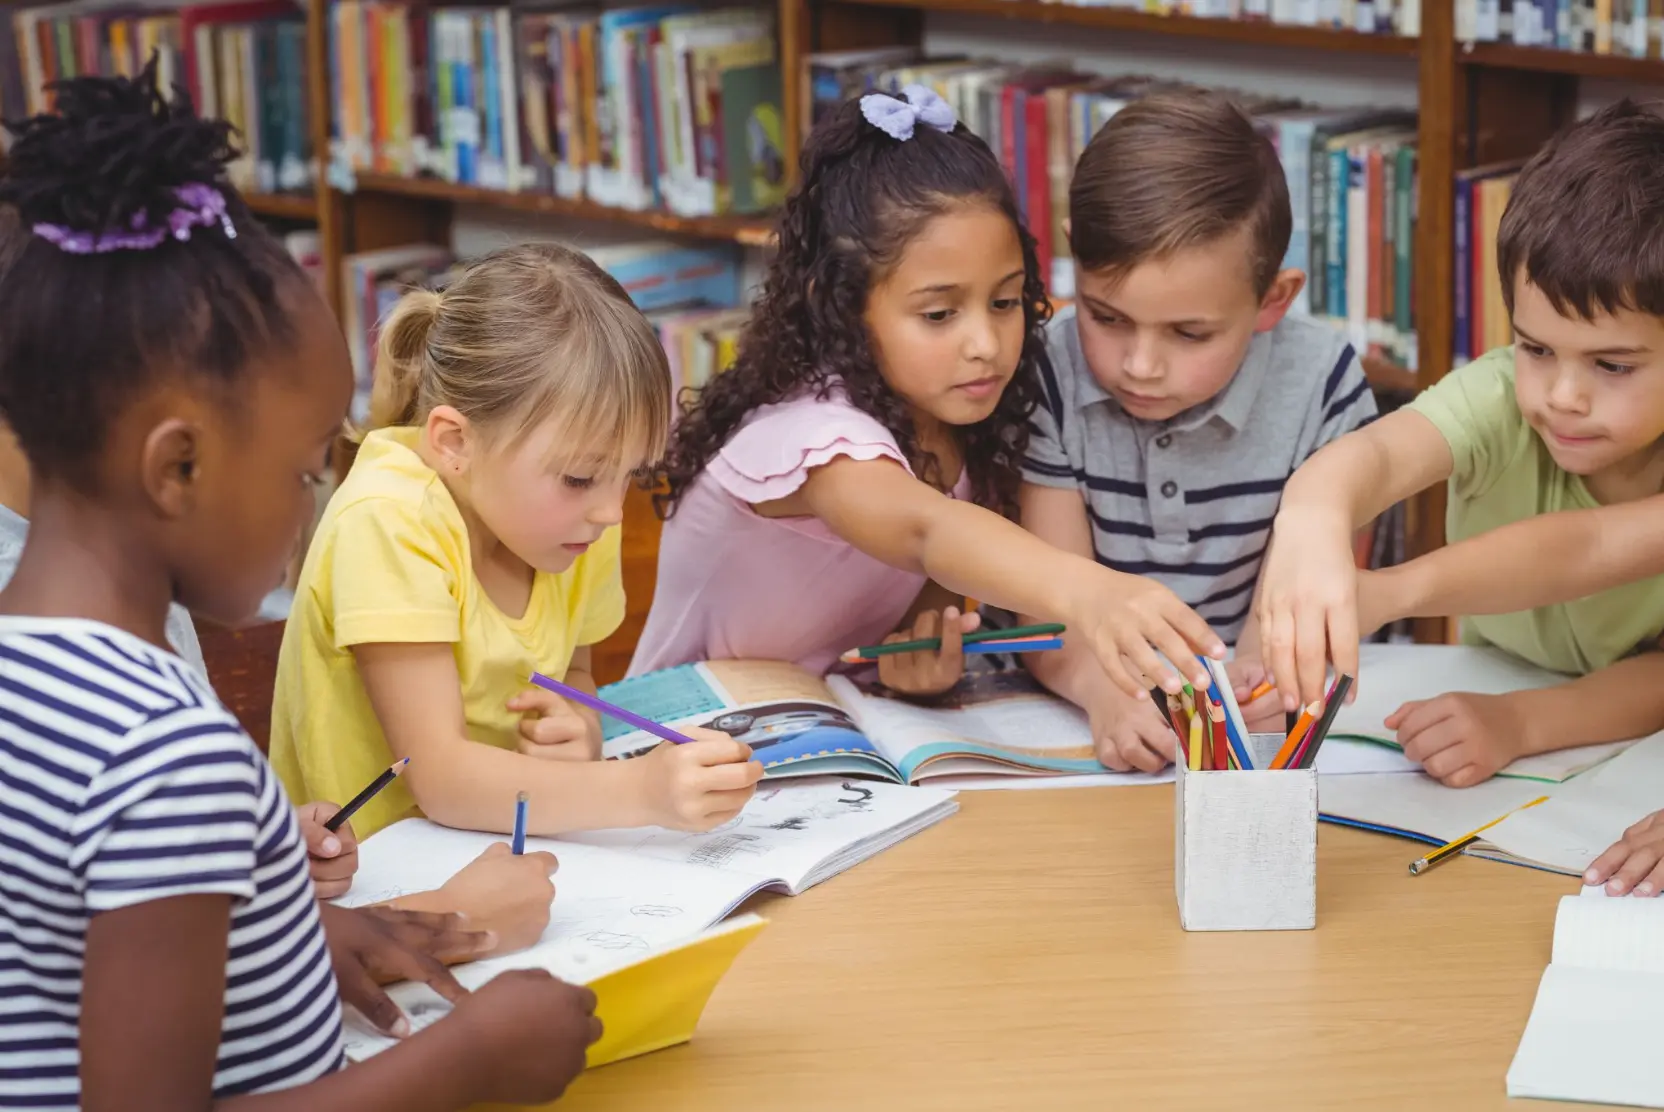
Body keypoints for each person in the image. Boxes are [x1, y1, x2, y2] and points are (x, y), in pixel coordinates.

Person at [0, 63, 599, 1109]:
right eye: (300, 469)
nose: (312, 507)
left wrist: (293, 929)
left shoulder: (34, 678)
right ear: (175, 467)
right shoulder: (164, 753)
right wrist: (466, 1060)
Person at [632, 86, 1225, 705]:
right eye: (940, 314)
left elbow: (930, 592)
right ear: (840, 304)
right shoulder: (815, 436)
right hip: (676, 736)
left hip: (832, 741)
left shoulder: (965, 431)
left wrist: (922, 660)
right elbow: (924, 531)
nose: (985, 344)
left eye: (1004, 302)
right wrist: (1094, 592)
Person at [268, 242, 762, 842]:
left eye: (628, 475)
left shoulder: (574, 523)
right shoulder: (386, 521)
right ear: (454, 442)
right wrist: (639, 790)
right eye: (580, 477)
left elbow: (572, 672)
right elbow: (441, 777)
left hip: (499, 846)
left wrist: (580, 724)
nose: (610, 511)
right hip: (372, 879)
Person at [1259, 99, 1664, 788]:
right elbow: (1377, 456)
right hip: (1485, 706)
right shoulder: (1501, 394)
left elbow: (1584, 548)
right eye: (1536, 347)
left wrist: (1520, 722)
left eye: (1612, 365)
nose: (1560, 395)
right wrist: (1312, 517)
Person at [1015, 90, 1376, 772]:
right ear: (1073, 260)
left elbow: (1314, 601)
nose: (1140, 365)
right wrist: (1101, 689)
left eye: (1189, 333)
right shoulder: (1047, 373)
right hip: (1076, 713)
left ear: (1274, 299)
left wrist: (1264, 670)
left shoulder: (1323, 385)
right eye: (1106, 316)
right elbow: (1051, 603)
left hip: (1241, 732)